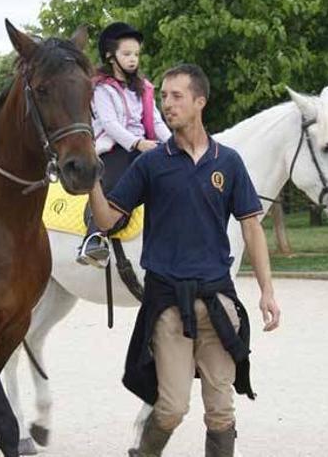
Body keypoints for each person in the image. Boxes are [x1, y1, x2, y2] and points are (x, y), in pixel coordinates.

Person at [87, 63, 281, 456]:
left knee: (221, 412)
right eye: (163, 97)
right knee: (172, 408)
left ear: (199, 102)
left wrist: (267, 291)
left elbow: (251, 228)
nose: (167, 105)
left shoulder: (229, 162)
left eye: (176, 96)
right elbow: (108, 220)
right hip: (169, 306)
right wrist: (91, 179)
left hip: (218, 302)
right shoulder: (151, 164)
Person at [76, 22, 171, 267]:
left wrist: (176, 144)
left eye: (136, 54)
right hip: (114, 148)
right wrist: (138, 143)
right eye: (126, 54)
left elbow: (157, 121)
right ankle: (95, 236)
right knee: (114, 178)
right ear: (111, 56)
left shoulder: (143, 88)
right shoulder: (101, 88)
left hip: (146, 146)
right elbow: (110, 124)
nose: (133, 60)